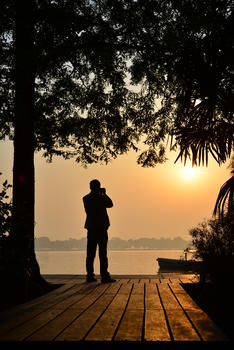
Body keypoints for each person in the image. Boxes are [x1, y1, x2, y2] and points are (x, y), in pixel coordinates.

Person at [83, 179, 116, 283]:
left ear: (90, 187)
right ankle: (104, 276)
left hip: (92, 228)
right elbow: (110, 204)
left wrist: (102, 194)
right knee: (102, 253)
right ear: (98, 187)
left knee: (90, 254)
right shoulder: (101, 197)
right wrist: (104, 194)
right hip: (101, 228)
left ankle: (90, 276)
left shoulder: (86, 198)